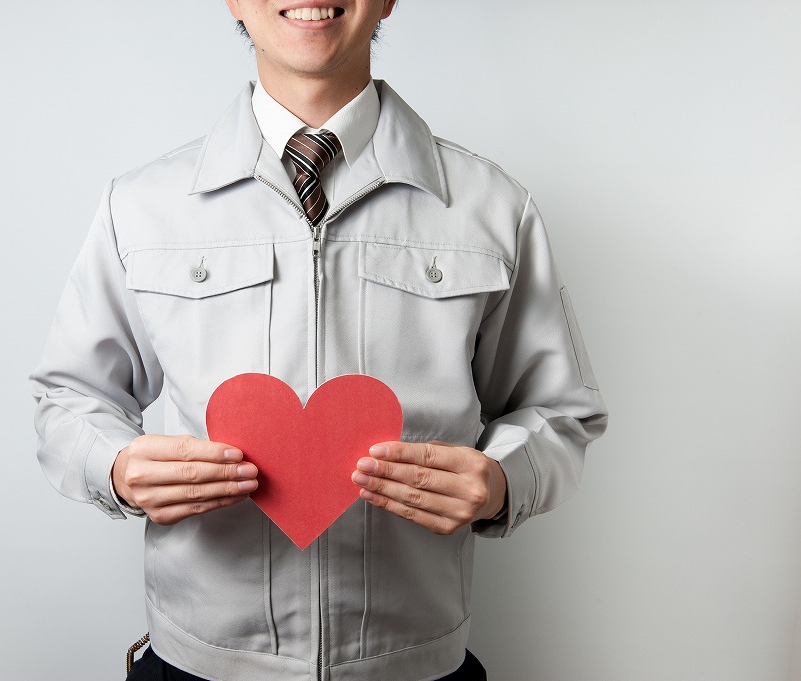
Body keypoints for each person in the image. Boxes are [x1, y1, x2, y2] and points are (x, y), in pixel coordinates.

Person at [30, 1, 608, 679]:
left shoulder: (493, 208)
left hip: (414, 666)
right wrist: (116, 467)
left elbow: (561, 412)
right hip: (198, 665)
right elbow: (68, 398)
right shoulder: (140, 208)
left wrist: (501, 481)